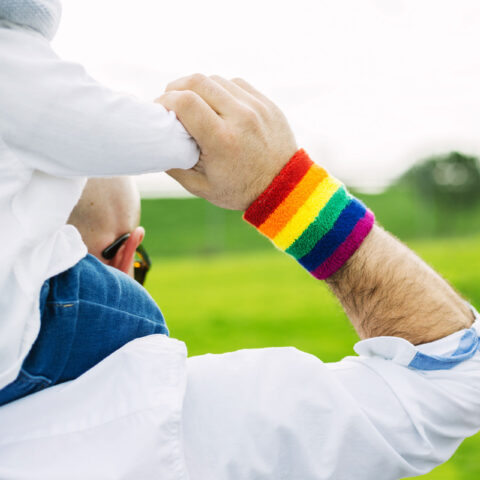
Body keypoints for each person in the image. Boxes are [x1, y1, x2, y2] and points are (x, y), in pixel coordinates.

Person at [0, 74, 479, 480]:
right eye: (138, 261)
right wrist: (283, 187)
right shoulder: (172, 424)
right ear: (125, 256)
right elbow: (453, 377)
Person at [0, 0, 196, 405]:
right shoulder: (14, 61)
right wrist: (197, 140)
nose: (128, 268)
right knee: (143, 322)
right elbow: (107, 126)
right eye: (133, 261)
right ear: (126, 251)